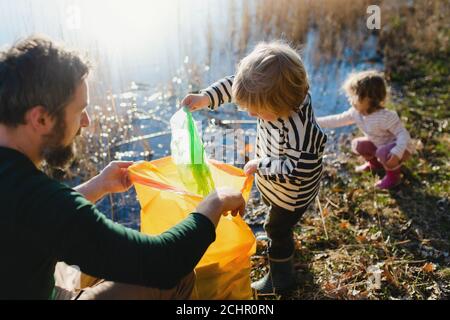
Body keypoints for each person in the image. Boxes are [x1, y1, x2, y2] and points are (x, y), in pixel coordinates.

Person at [0, 35, 246, 300]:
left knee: (89, 262)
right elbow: (164, 262)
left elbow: (39, 220)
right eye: (80, 110)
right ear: (41, 118)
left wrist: (98, 185)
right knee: (178, 277)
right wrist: (214, 202)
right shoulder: (38, 200)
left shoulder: (25, 193)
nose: (86, 121)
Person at [181, 41, 327, 294]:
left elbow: (296, 169)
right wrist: (206, 97)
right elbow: (235, 85)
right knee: (273, 212)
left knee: (276, 228)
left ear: (280, 105)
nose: (251, 114)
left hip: (292, 194)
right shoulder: (279, 95)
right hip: (274, 184)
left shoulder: (298, 130)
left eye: (258, 112)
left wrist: (261, 164)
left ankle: (281, 277)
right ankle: (283, 240)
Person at [317, 70, 415, 189]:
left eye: (352, 96)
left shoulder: (386, 117)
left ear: (368, 98)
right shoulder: (356, 113)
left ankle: (394, 178)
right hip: (380, 146)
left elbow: (403, 135)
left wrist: (397, 152)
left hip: (401, 149)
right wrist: (315, 121)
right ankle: (375, 165)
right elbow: (337, 120)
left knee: (382, 152)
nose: (350, 100)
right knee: (359, 145)